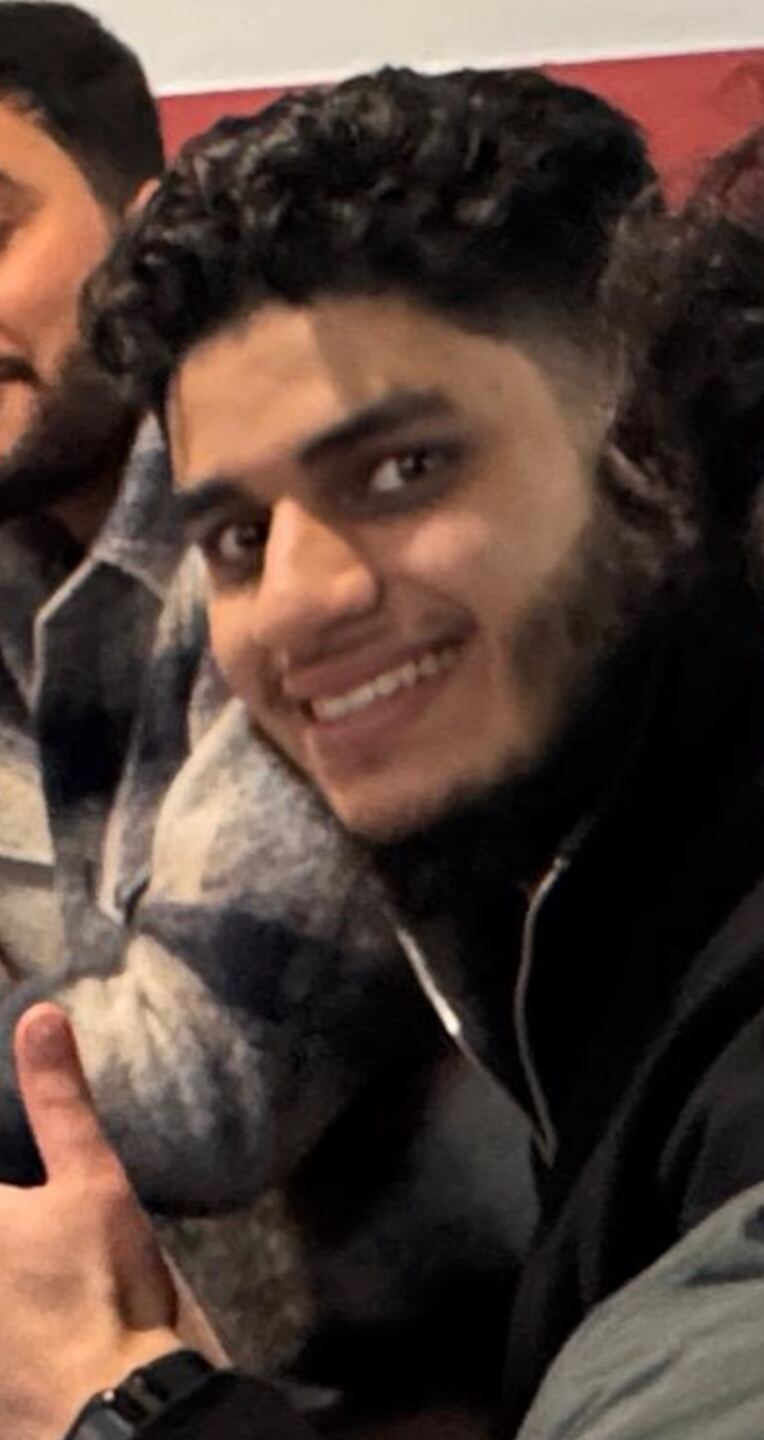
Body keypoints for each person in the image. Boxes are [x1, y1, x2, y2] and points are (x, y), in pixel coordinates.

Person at [9, 69, 763, 1439]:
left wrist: (118, 1406)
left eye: (405, 470)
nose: (298, 601)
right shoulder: (581, 900)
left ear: (653, 441)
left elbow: (193, 1081)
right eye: (237, 538)